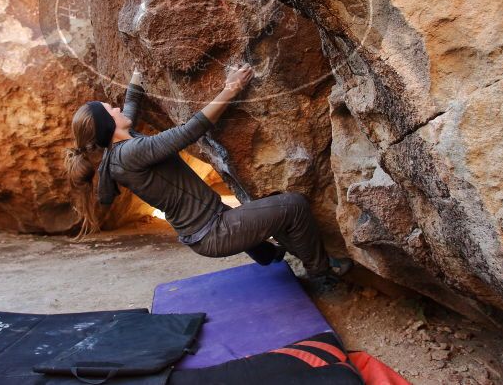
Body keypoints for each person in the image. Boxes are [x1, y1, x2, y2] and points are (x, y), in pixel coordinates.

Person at [66, 64, 351, 290]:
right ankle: (323, 275)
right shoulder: (132, 152)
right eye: (109, 109)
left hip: (205, 230)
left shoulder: (119, 148)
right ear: (107, 125)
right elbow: (189, 131)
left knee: (270, 204)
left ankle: (268, 253)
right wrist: (231, 88)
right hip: (215, 232)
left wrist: (137, 80)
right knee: (293, 206)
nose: (116, 108)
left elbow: (128, 110)